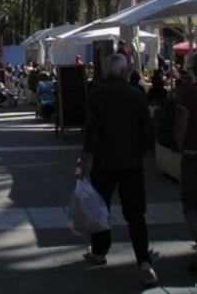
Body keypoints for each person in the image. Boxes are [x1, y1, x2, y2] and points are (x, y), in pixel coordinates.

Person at [76, 53, 157, 286]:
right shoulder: (137, 95)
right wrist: (138, 153)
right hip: (131, 163)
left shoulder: (97, 95)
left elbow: (92, 131)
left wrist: (83, 160)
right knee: (136, 214)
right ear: (123, 71)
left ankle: (100, 252)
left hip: (104, 163)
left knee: (101, 208)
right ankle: (144, 261)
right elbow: (147, 133)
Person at [175, 54, 197, 271]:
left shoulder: (189, 92)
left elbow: (181, 122)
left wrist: (178, 142)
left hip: (193, 152)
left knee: (191, 202)